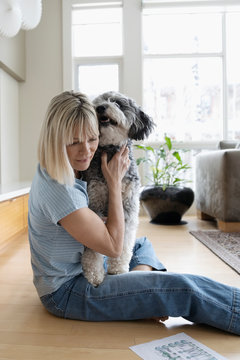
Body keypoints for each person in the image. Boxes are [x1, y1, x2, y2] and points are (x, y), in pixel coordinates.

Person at [28, 91, 240, 335]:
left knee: (142, 246)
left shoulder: (61, 166)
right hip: (69, 291)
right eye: (74, 142)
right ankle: (140, 295)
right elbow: (115, 247)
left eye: (92, 138)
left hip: (83, 265)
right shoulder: (61, 192)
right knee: (183, 288)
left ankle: (135, 295)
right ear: (55, 139)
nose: (86, 150)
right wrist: (114, 183)